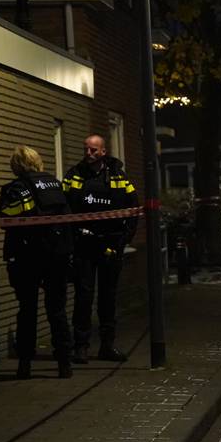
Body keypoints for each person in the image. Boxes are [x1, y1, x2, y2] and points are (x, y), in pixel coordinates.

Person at [0, 146, 74, 379]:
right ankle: (64, 363)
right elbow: (68, 219)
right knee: (57, 310)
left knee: (27, 310)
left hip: (26, 255)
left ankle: (24, 364)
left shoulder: (15, 188)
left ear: (17, 165)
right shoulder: (55, 184)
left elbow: (7, 219)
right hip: (56, 255)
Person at [63, 135, 138, 363]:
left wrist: (124, 239)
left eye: (94, 150)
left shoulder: (118, 177)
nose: (89, 154)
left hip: (110, 245)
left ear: (103, 152)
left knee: (108, 297)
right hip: (84, 245)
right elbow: (64, 207)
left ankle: (107, 345)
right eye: (86, 149)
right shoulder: (74, 175)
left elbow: (133, 209)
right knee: (83, 297)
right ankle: (81, 347)